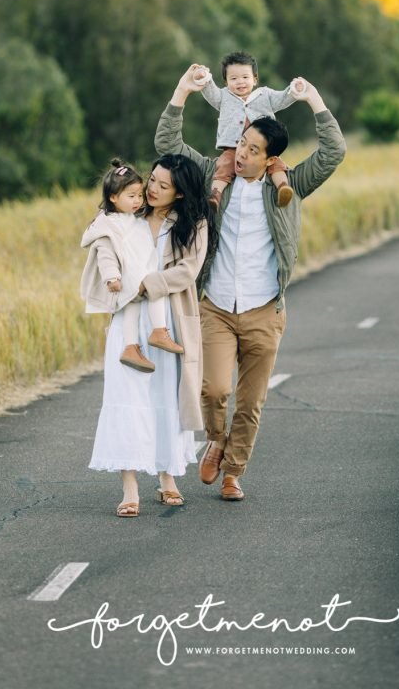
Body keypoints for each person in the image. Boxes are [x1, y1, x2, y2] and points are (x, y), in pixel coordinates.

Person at [155, 65, 346, 502]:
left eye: (253, 149)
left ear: (271, 158)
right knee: (215, 389)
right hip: (217, 305)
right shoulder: (210, 177)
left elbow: (333, 152)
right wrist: (181, 92)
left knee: (251, 402)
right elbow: (168, 146)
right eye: (241, 143)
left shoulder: (290, 185)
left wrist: (313, 101)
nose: (241, 154)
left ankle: (233, 472)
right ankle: (216, 441)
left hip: (264, 309)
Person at [81, 153, 216, 517]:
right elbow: (101, 245)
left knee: (165, 399)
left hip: (167, 321)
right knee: (127, 397)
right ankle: (129, 486)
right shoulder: (128, 213)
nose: (151, 189)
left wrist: (145, 284)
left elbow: (188, 270)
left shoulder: (193, 223)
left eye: (161, 185)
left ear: (181, 193)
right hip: (128, 318)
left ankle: (167, 477)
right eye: (151, 180)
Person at [80, 159, 184, 375]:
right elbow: (105, 254)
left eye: (139, 194)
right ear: (113, 197)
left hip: (136, 275)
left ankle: (131, 347)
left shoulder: (131, 217)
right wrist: (112, 278)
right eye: (131, 196)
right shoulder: (108, 224)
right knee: (155, 291)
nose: (138, 200)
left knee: (133, 309)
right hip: (128, 277)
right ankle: (159, 331)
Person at [193, 50, 303, 209]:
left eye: (245, 77)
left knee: (276, 163)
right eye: (233, 78)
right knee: (224, 164)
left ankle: (283, 187)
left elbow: (282, 99)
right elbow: (211, 93)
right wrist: (203, 77)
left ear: (255, 79)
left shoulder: (265, 95)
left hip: (263, 146)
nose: (240, 82)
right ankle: (216, 195)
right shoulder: (223, 97)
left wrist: (294, 89)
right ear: (226, 82)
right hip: (233, 146)